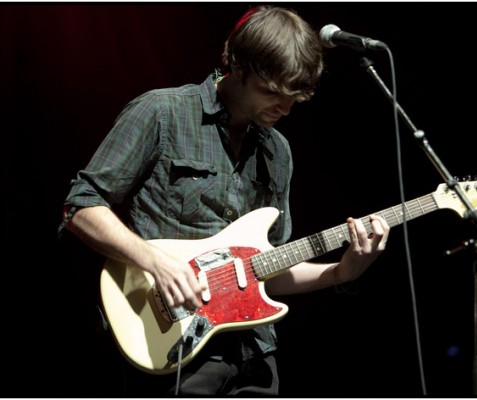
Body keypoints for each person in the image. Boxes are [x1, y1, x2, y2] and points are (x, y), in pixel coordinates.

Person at [59, 4, 390, 396]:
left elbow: (269, 269)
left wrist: (341, 272)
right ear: (237, 65)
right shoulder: (163, 112)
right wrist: (155, 262)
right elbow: (80, 206)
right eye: (272, 92)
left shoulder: (277, 152)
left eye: (293, 100)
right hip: (172, 346)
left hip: (254, 356)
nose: (284, 109)